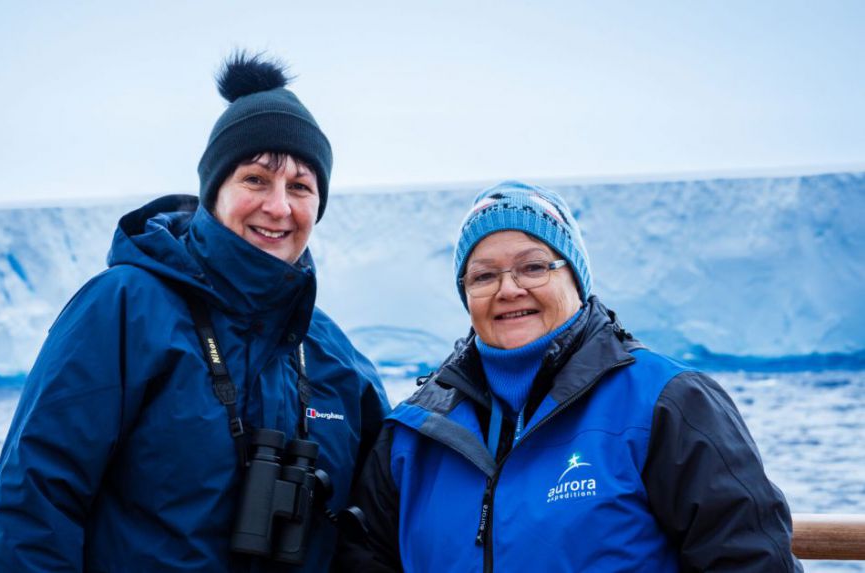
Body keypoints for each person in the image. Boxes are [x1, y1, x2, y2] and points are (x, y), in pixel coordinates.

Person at [0, 52, 389, 571]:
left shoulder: (329, 351)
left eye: (301, 187)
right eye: (256, 180)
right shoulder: (125, 309)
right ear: (214, 191)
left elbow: (387, 513)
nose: (279, 206)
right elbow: (35, 502)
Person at [337, 181, 802, 572]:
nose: (509, 289)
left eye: (534, 267)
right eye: (483, 276)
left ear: (576, 279)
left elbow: (749, 559)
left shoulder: (666, 403)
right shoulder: (415, 434)